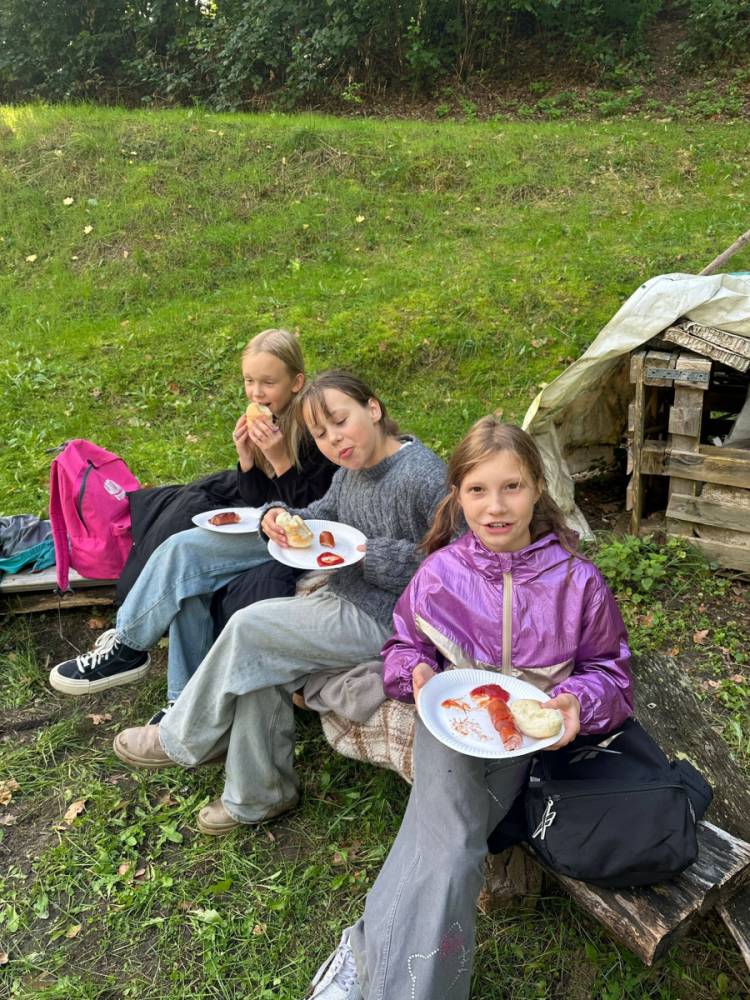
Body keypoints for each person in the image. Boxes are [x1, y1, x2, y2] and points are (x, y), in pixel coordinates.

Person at [305, 418, 633, 1000]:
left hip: (530, 742)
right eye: (478, 490)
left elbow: (610, 672)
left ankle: (363, 948)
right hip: (451, 727)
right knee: (455, 850)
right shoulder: (440, 573)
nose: (495, 507)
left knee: (435, 845)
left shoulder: (577, 582)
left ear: (537, 487)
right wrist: (414, 673)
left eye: (512, 487)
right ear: (457, 495)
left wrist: (575, 704)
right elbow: (403, 646)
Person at [108, 370, 447, 836]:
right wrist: (277, 516)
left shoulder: (423, 475)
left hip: (391, 621)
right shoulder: (351, 472)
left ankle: (183, 737)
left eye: (340, 422)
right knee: (261, 661)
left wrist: (371, 555)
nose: (334, 440)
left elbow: (454, 568)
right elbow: (319, 516)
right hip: (344, 597)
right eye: (320, 435)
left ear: (373, 408)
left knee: (251, 630)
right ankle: (258, 796)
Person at [49, 329, 336, 718]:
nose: (256, 392)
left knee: (182, 550)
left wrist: (281, 458)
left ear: (296, 382)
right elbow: (257, 498)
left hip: (306, 536)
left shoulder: (313, 427)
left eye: (268, 382)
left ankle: (128, 647)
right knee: (191, 588)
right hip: (268, 524)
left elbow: (311, 511)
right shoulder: (271, 420)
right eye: (249, 381)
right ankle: (185, 704)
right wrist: (247, 459)